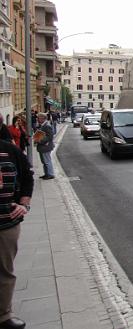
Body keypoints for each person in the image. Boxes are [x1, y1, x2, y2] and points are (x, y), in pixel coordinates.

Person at [0, 131, 34, 329]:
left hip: (6, 224)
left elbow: (27, 178)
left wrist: (24, 204)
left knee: (5, 272)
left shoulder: (10, 151)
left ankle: (4, 315)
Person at [34, 113, 55, 180]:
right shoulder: (42, 125)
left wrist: (40, 140)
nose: (37, 119)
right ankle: (46, 174)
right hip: (43, 147)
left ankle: (50, 174)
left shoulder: (47, 126)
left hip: (46, 146)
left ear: (43, 118)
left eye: (39, 118)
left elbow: (50, 137)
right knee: (44, 161)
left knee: (47, 161)